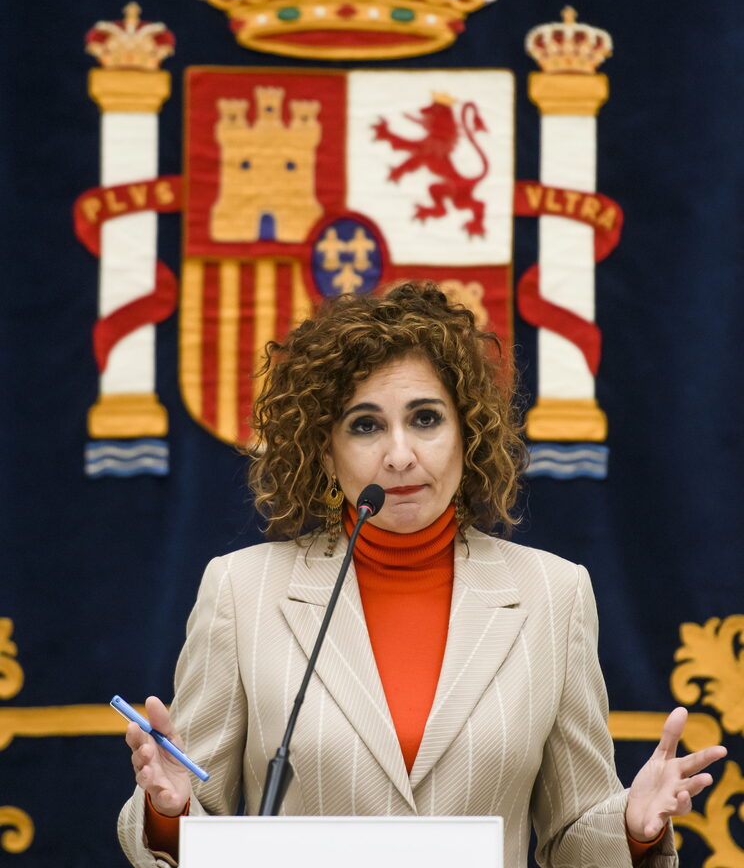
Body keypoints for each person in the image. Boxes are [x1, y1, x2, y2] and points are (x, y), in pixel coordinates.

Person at [118, 281, 725, 868]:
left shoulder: (554, 595)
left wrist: (631, 828)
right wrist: (170, 813)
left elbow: (572, 838)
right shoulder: (241, 590)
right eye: (365, 425)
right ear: (325, 450)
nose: (400, 455)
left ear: (467, 433)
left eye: (426, 419)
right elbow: (198, 816)